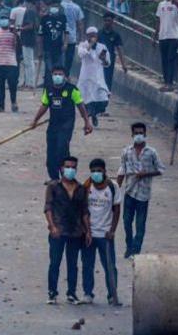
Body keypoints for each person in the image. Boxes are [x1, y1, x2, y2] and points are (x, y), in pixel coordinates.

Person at [31, 65, 94, 182]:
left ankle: (66, 176)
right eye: (55, 74)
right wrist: (35, 120)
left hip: (66, 125)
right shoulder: (48, 89)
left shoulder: (72, 89)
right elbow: (44, 106)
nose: (57, 77)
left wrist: (87, 122)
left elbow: (80, 105)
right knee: (51, 152)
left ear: (65, 76)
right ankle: (54, 178)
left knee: (62, 149)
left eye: (60, 74)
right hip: (53, 124)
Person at [44, 156, 90, 305]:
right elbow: (48, 208)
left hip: (75, 232)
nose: (70, 170)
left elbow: (84, 211)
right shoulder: (53, 186)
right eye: (67, 167)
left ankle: (71, 293)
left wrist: (88, 231)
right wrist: (52, 226)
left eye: (73, 167)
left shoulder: (81, 189)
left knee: (73, 264)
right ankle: (52, 292)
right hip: (58, 230)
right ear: (62, 168)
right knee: (55, 263)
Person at [116, 122, 164, 258]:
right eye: (136, 133)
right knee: (126, 223)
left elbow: (160, 170)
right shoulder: (126, 152)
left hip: (143, 194)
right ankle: (129, 245)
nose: (139, 135)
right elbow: (122, 170)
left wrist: (146, 174)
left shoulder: (152, 152)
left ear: (145, 134)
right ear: (132, 135)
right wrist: (116, 189)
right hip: (129, 192)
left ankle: (136, 250)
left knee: (140, 225)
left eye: (141, 133)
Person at [81, 159, 121, 305]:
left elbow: (116, 209)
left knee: (110, 266)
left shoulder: (113, 187)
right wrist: (86, 231)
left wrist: (112, 230)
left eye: (99, 170)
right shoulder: (86, 187)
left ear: (104, 171)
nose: (96, 174)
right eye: (93, 171)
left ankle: (112, 294)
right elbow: (83, 210)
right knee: (87, 265)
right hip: (89, 234)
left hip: (105, 235)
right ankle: (87, 293)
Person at [155, 0, 178, 90]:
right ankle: (166, 82)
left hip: (174, 36)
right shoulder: (161, 4)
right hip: (163, 36)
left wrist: (176, 3)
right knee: (164, 60)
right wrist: (155, 36)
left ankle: (170, 83)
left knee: (170, 59)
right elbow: (158, 20)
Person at [0, 13, 20, 112]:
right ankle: (1, 106)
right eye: (2, 19)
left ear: (9, 21)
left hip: (11, 62)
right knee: (0, 85)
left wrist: (15, 33)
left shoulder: (14, 33)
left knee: (12, 84)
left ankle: (13, 102)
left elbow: (19, 46)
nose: (4, 21)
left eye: (5, 19)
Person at [77, 27, 111, 125]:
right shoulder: (82, 45)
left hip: (98, 78)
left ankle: (94, 114)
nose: (92, 36)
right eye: (90, 35)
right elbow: (81, 54)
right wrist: (90, 45)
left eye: (94, 35)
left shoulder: (102, 47)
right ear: (87, 36)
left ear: (97, 35)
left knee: (104, 100)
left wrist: (104, 59)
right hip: (86, 78)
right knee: (88, 101)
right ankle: (90, 117)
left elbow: (107, 63)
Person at [12, 0, 40, 90]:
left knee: (29, 62)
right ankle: (27, 82)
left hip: (28, 38)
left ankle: (30, 84)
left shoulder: (29, 11)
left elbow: (30, 26)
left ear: (25, 0)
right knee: (28, 61)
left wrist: (19, 28)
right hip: (29, 38)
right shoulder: (33, 10)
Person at [39, 0, 68, 86]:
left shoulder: (63, 18)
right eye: (53, 6)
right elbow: (40, 36)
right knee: (49, 69)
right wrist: (40, 50)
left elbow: (66, 32)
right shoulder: (44, 19)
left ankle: (60, 86)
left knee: (60, 69)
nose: (55, 8)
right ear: (49, 6)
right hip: (48, 48)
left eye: (57, 6)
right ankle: (49, 87)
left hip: (59, 48)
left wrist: (66, 44)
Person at [97, 12, 127, 91]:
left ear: (112, 22)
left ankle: (107, 96)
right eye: (105, 20)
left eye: (109, 21)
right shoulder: (99, 33)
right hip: (98, 60)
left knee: (108, 79)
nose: (107, 22)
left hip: (110, 61)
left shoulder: (116, 35)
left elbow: (119, 49)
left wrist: (123, 64)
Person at [60, 0, 84, 73]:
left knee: (58, 57)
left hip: (59, 36)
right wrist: (80, 38)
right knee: (69, 58)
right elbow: (80, 24)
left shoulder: (60, 6)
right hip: (72, 37)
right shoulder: (77, 7)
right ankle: (66, 75)